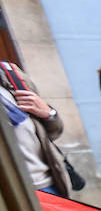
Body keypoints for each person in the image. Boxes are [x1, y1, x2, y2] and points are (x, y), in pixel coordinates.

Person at [0, 59, 72, 197]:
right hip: (12, 195)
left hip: (48, 184)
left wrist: (48, 113)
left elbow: (53, 132)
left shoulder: (8, 74)